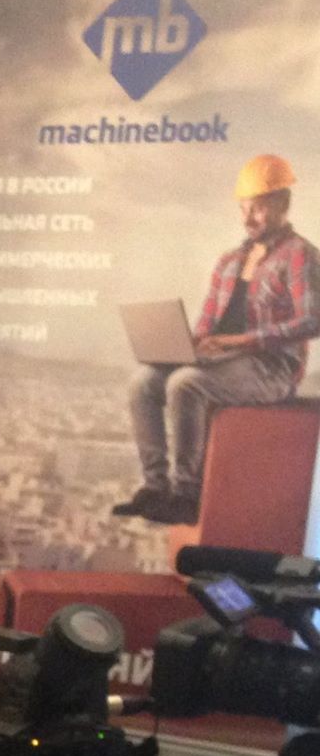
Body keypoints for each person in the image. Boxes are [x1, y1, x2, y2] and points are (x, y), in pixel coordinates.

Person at [114, 154, 319, 525]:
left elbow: (311, 321)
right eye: (244, 208)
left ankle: (186, 494)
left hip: (271, 368)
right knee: (142, 382)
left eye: (258, 208)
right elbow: (207, 324)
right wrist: (187, 345)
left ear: (283, 204)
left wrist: (239, 341)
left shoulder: (300, 256)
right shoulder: (229, 261)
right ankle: (155, 488)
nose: (248, 218)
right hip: (222, 361)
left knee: (185, 383)